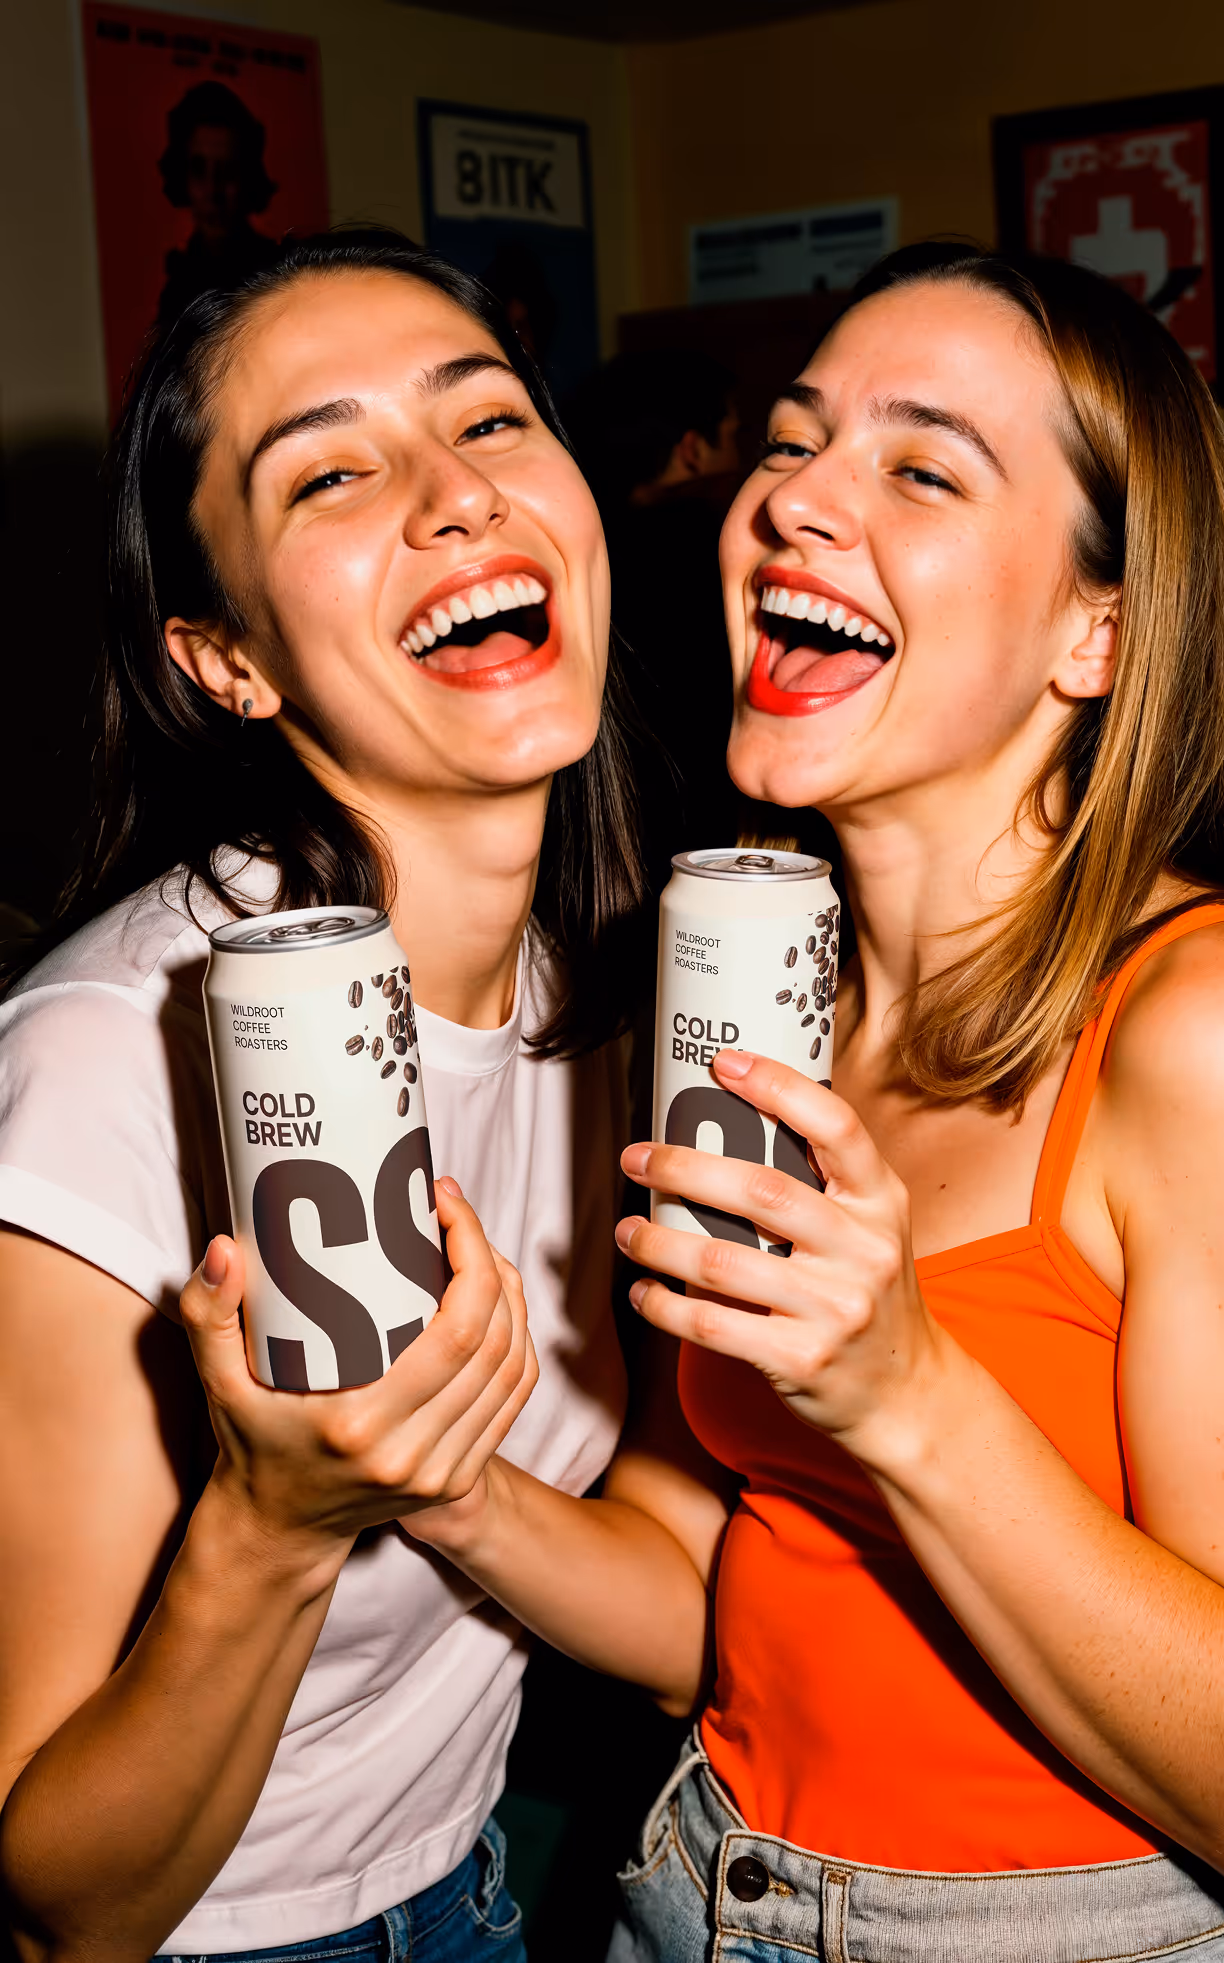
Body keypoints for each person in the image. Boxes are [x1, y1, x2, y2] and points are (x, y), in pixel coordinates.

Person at [388, 241, 1224, 1961]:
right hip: (690, 1887)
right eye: (787, 443)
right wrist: (419, 1466)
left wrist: (904, 1389)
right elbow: (702, 1581)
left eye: (917, 467)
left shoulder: (1186, 1030)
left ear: (1094, 630)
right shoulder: (741, 1000)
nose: (792, 504)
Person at [0, 228, 644, 1962]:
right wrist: (277, 1528)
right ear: (229, 658)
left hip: (474, 1883)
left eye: (491, 420)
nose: (453, 497)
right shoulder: (102, 1061)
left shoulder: (621, 999)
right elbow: (63, 1901)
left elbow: (690, 1589)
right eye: (333, 472)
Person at [566, 351, 743, 863]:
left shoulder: (579, 557)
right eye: (732, 437)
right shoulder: (721, 545)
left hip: (604, 849)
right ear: (691, 450)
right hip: (712, 839)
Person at [157, 81, 282, 327]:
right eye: (199, 170)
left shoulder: (278, 275)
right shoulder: (177, 287)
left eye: (228, 171)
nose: (213, 190)